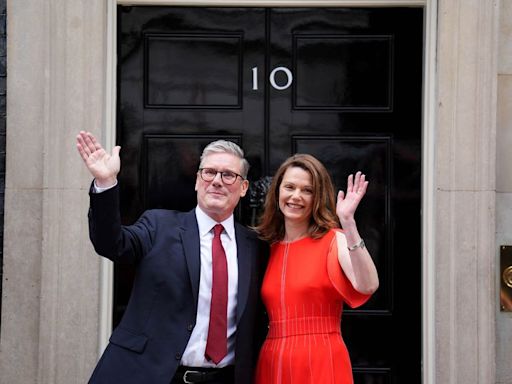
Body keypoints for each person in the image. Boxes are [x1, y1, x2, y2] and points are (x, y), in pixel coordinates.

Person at [76, 131, 266, 384]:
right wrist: (106, 183)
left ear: (243, 188)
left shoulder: (256, 247)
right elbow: (112, 244)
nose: (217, 181)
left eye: (229, 175)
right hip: (149, 374)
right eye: (209, 172)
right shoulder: (158, 226)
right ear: (197, 180)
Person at [254, 154, 379, 384]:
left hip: (322, 357)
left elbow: (368, 285)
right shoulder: (265, 247)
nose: (296, 196)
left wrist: (348, 222)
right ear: (277, 192)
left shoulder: (334, 239)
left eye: (307, 190)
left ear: (318, 196)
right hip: (273, 358)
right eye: (289, 187)